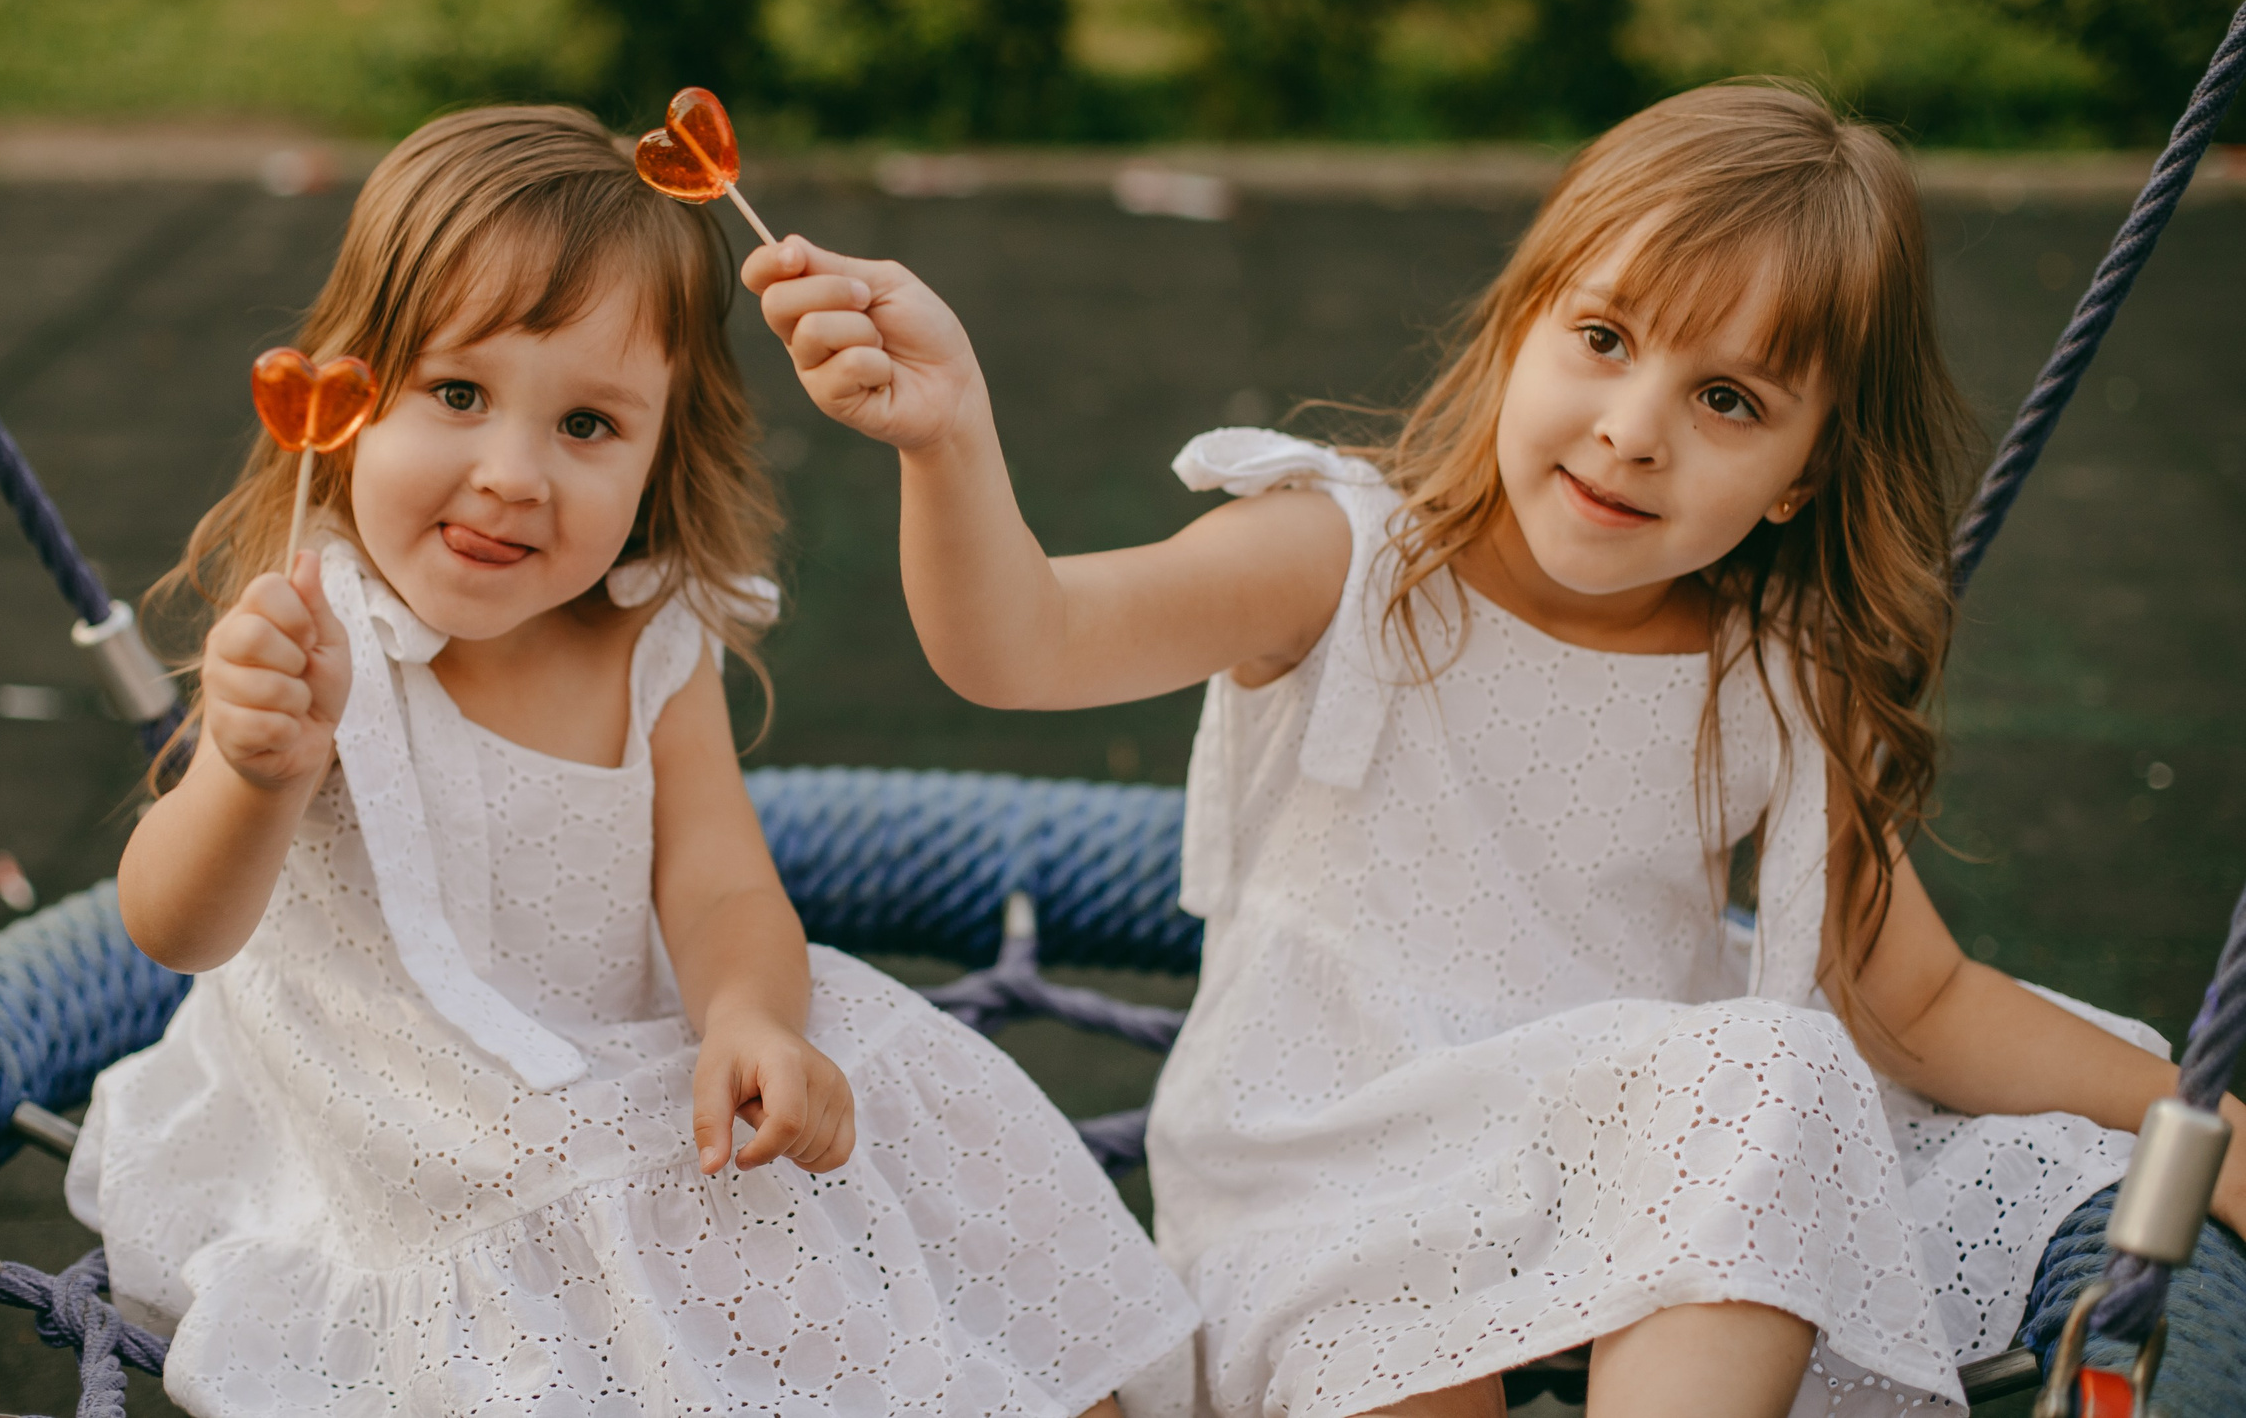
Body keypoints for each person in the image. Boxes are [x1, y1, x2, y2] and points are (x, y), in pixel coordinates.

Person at [739, 82, 2246, 1418]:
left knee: (1784, 1070)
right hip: (1328, 1170)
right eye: (1604, 339)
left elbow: (1912, 999)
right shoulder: (1343, 560)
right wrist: (949, 439)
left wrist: (2202, 1121)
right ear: (1524, 325)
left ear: (1802, 475)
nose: (1635, 429)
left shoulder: (1783, 673)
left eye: (1729, 400)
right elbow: (1025, 644)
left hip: (1604, 1158)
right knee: (1407, 1367)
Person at [73, 105, 1195, 1416]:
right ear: (348, 399)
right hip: (408, 1111)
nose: (512, 474)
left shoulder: (650, 634)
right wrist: (253, 773)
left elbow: (719, 883)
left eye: (588, 424)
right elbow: (177, 927)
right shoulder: (317, 631)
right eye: (457, 394)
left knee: (857, 1134)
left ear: (665, 449)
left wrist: (750, 1015)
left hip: (633, 1050)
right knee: (628, 1232)